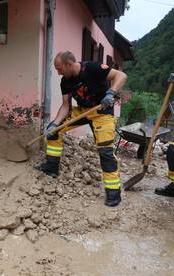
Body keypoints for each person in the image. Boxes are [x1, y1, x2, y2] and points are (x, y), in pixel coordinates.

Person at [35, 51, 127, 207]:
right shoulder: (65, 81)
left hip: (101, 113)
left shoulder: (92, 68)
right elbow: (65, 106)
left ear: (69, 64)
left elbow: (121, 76)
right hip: (83, 111)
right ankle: (51, 167)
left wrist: (111, 92)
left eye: (60, 69)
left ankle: (113, 192)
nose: (58, 73)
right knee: (54, 131)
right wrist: (55, 124)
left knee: (105, 151)